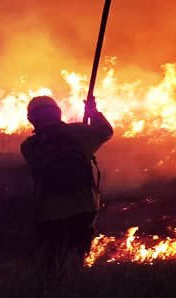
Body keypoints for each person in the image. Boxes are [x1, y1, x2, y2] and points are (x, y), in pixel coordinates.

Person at [20, 95, 114, 272]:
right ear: (58, 113)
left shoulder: (29, 146)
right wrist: (93, 112)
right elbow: (105, 131)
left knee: (51, 265)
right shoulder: (80, 133)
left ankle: (51, 295)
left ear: (31, 119)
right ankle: (75, 292)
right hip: (84, 208)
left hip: (48, 214)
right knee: (76, 261)